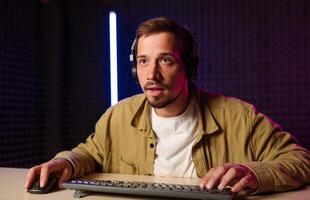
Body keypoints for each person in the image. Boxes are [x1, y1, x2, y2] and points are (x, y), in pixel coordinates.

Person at [25, 16, 310, 195]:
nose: (152, 75)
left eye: (166, 60)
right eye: (143, 61)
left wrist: (253, 173)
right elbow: (90, 153)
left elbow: (301, 161)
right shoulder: (118, 116)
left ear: (189, 67)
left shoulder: (240, 117)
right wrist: (66, 161)